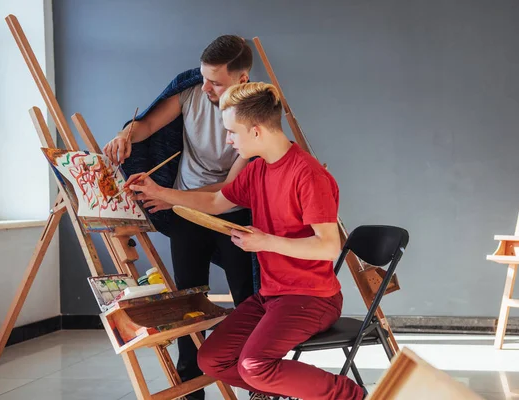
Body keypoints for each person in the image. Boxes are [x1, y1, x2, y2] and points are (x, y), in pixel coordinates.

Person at [126, 82, 365, 400]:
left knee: (254, 365)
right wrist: (159, 193)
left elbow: (329, 246)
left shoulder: (308, 175)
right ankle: (286, 388)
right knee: (212, 360)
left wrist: (267, 242)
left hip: (313, 298)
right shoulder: (257, 172)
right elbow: (214, 203)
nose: (228, 140)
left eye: (232, 132)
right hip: (271, 297)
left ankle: (351, 396)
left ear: (255, 131)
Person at [103, 35, 256, 400]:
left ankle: (255, 382)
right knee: (188, 301)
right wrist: (126, 134)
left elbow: (229, 191)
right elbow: (147, 126)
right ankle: (190, 385)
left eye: (215, 82)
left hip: (232, 213)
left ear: (243, 79)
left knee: (248, 299)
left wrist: (168, 196)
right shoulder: (191, 90)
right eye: (203, 77)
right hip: (185, 210)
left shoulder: (256, 116)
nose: (205, 88)